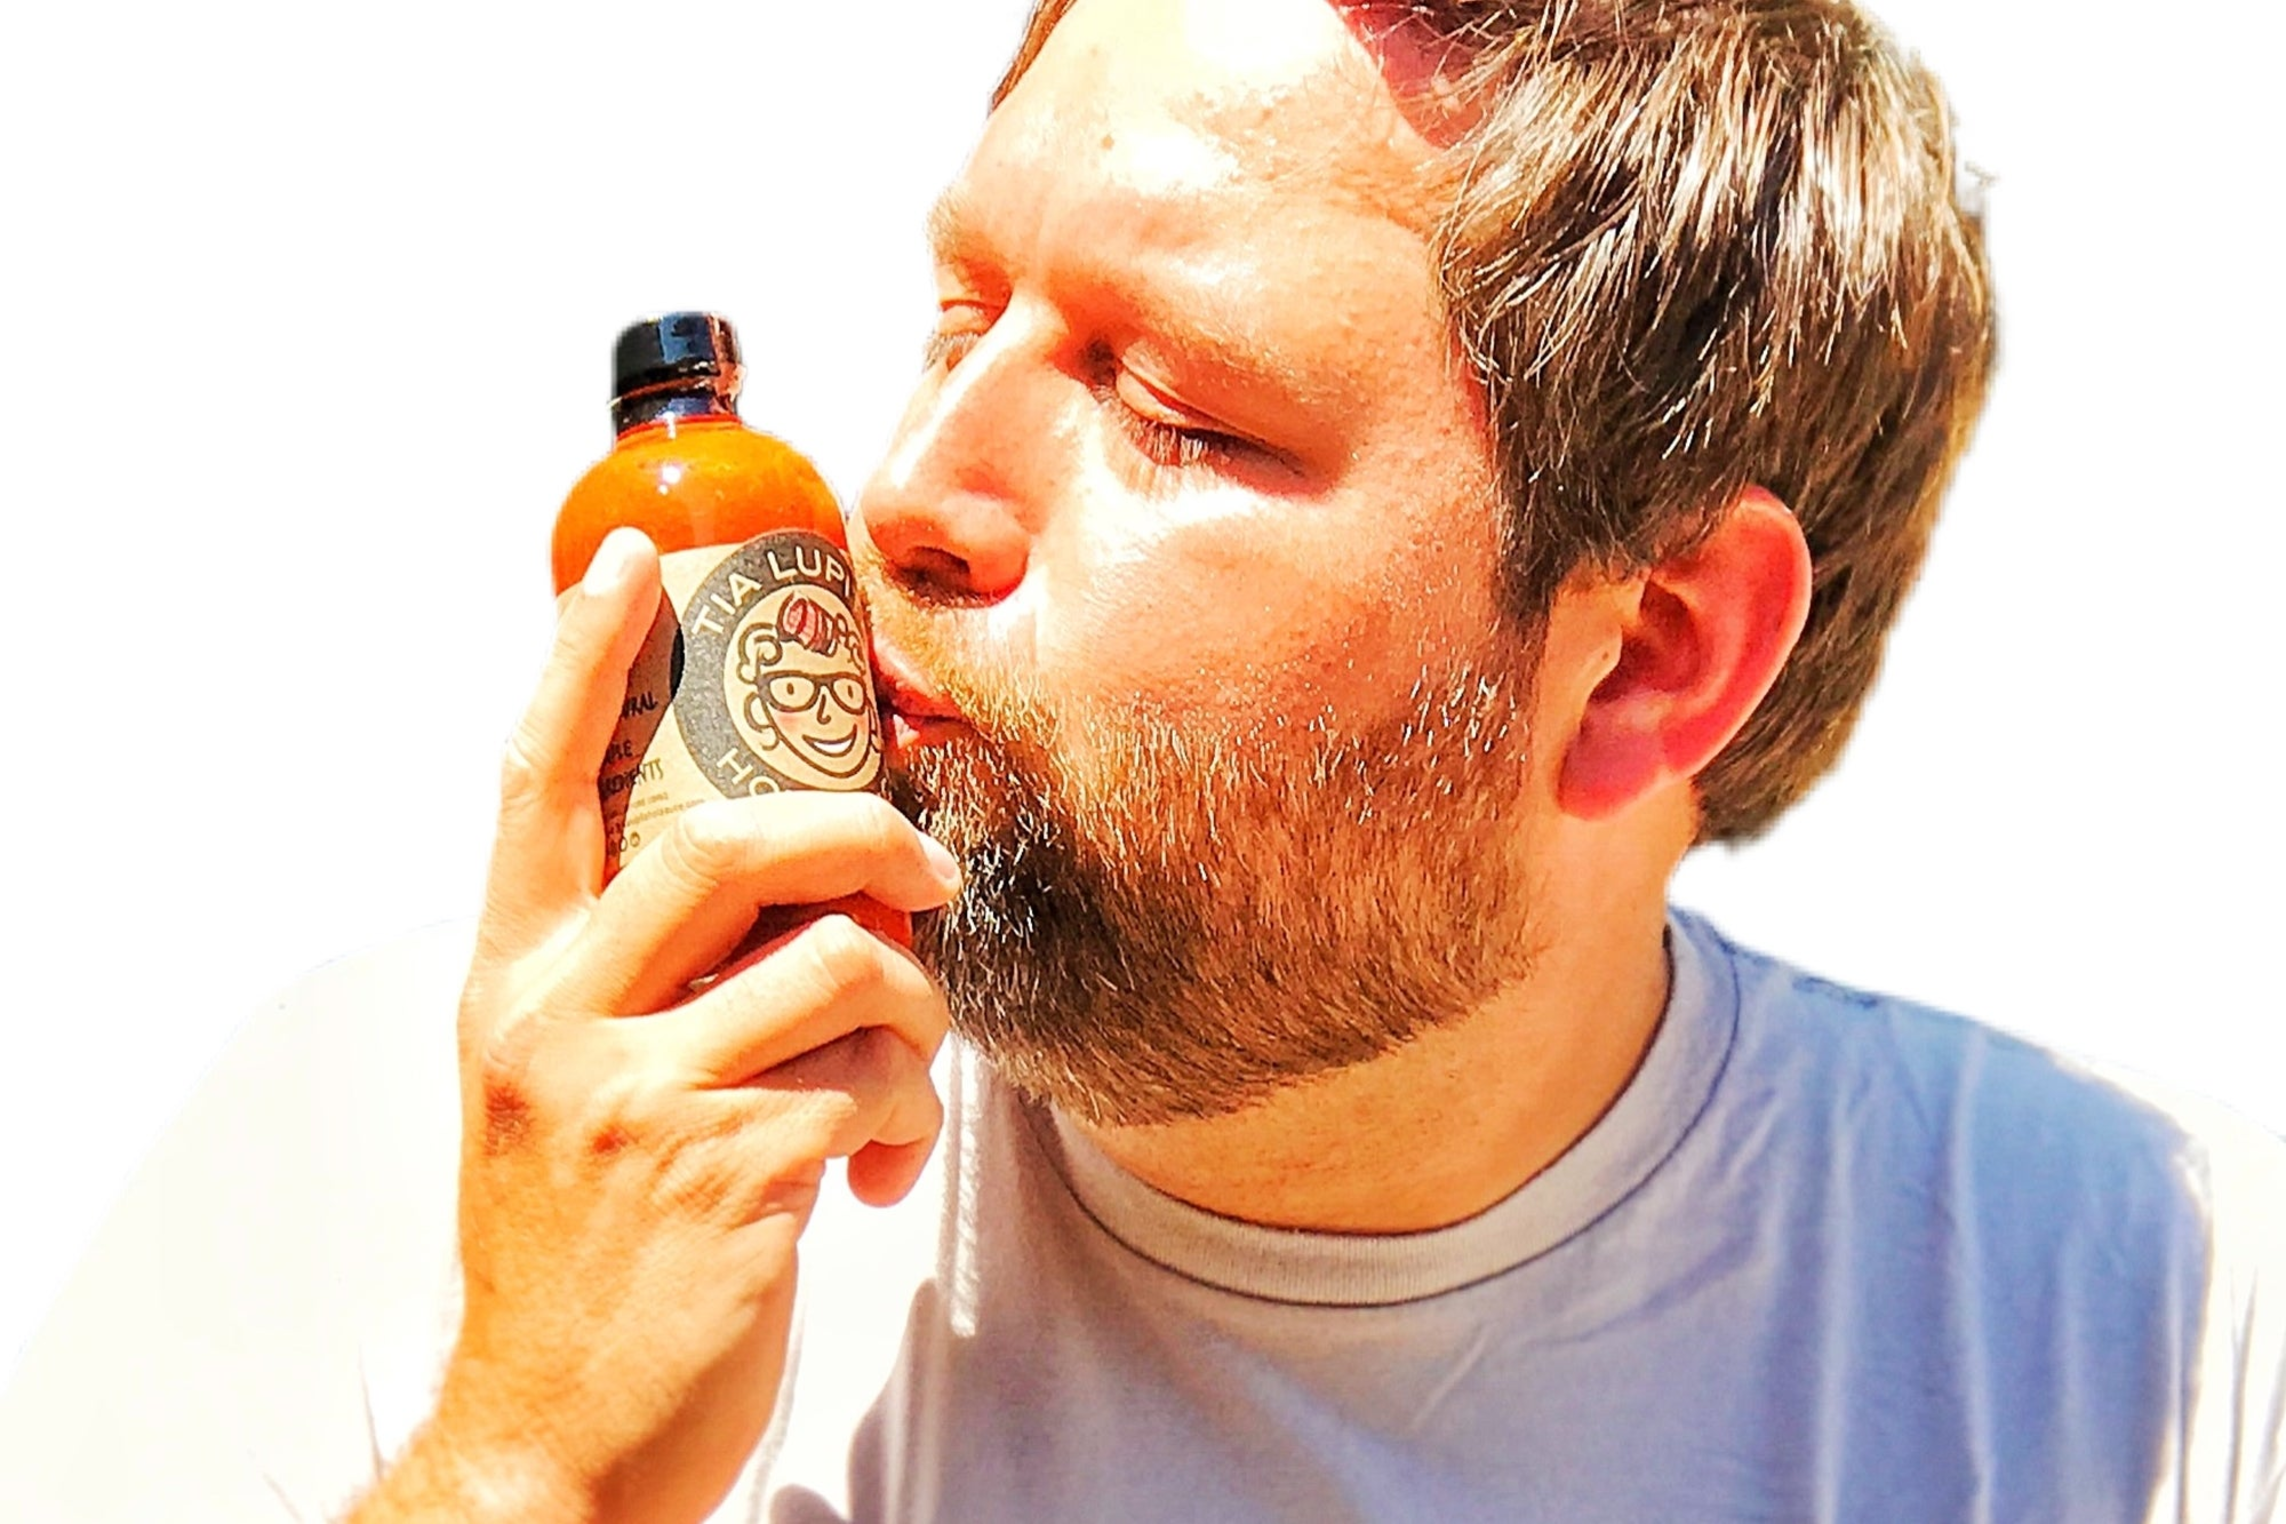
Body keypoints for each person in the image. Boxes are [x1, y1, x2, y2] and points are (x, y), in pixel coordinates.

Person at [3, 0, 2281, 1520]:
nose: (904, 492)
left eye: (1174, 410)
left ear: (1649, 662)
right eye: (959, 317)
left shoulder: (2136, 1341)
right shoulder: (448, 1161)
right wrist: (522, 1469)